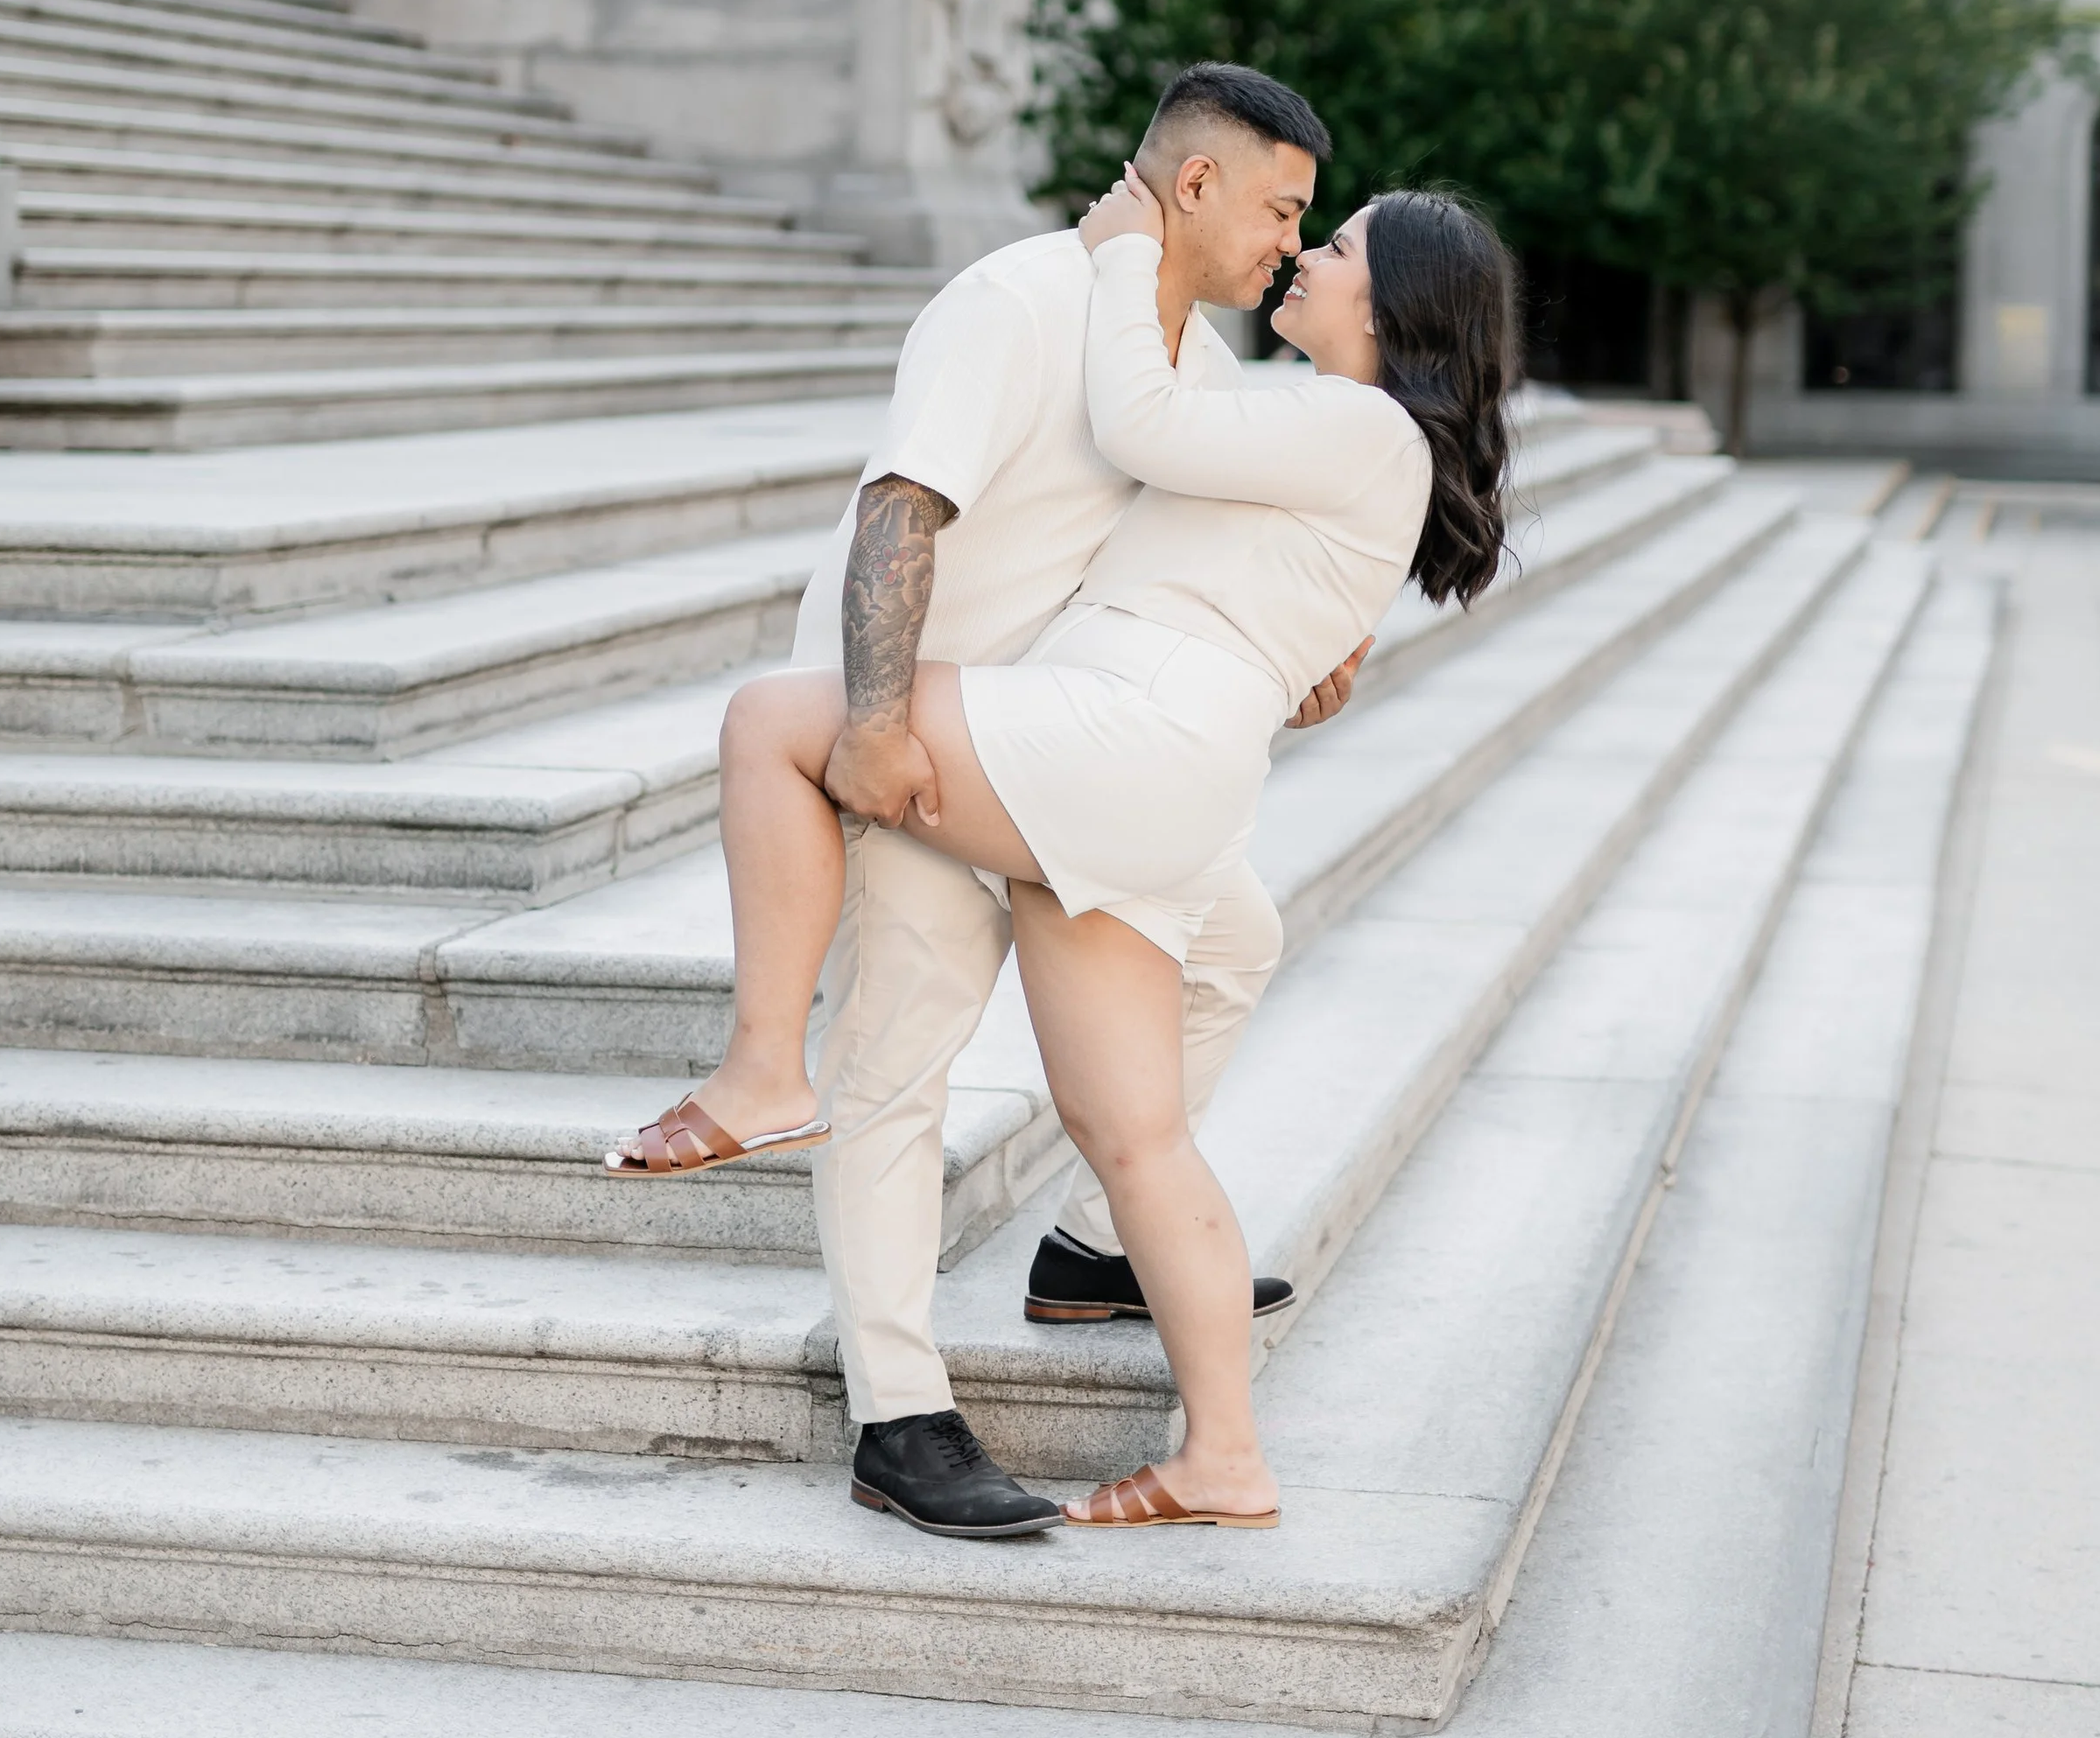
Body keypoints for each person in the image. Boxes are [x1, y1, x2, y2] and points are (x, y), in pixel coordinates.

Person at [611, 100, 1520, 1538]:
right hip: (992, 724)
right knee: (1073, 1103)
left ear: (1388, 308)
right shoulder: (1035, 303)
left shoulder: (1252, 380)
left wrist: (1284, 646)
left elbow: (1174, 471)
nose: (1296, 247)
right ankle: (978, 1390)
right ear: (1198, 182)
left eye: (1324, 235)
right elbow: (907, 505)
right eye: (1290, 214)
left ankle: (776, 1078)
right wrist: (875, 717)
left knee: (770, 730)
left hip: (1094, 744)